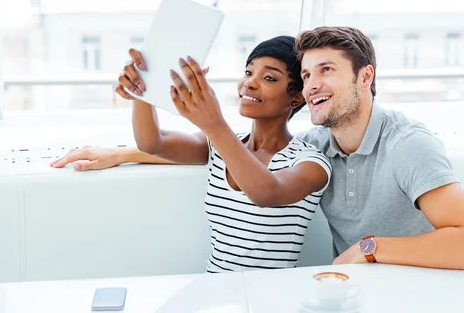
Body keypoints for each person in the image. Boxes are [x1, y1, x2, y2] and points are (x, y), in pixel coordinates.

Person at [52, 27, 464, 272]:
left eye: (327, 70)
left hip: (407, 285)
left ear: (365, 77)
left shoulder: (379, 148)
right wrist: (140, 106)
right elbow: (172, 145)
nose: (315, 82)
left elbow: (266, 190)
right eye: (308, 72)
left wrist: (369, 247)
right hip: (340, 283)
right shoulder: (321, 139)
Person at [56, 35, 332, 273]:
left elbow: (266, 193)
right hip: (214, 293)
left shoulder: (310, 163)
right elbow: (152, 142)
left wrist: (214, 123)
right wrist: (144, 89)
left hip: (269, 300)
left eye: (269, 77)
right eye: (248, 73)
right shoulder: (220, 144)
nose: (249, 84)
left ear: (296, 98)